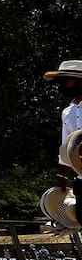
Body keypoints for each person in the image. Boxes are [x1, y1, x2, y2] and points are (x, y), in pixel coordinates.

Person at [44, 60, 82, 191]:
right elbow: (66, 148)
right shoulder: (67, 112)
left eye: (66, 81)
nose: (61, 86)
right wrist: (61, 177)